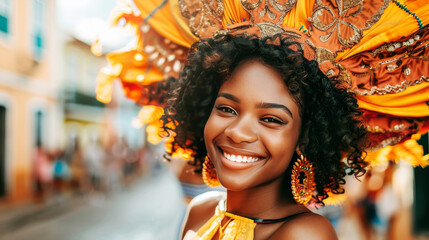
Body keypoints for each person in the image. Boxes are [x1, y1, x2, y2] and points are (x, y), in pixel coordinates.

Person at [160, 34, 368, 239]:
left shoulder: (305, 234)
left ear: (303, 139)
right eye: (227, 109)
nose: (237, 132)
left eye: (271, 119)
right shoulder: (200, 210)